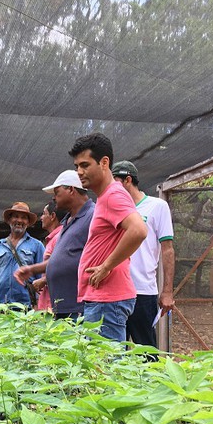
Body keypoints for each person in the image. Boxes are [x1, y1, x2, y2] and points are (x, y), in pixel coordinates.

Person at [69, 133, 147, 341]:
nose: (79, 172)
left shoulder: (114, 195)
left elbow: (138, 230)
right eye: (77, 166)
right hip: (102, 299)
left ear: (104, 163)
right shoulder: (106, 197)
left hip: (108, 300)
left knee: (106, 367)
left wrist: (106, 266)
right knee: (99, 367)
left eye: (85, 165)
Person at [14, 170, 93, 320]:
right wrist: (32, 269)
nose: (54, 197)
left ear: (71, 189)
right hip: (62, 306)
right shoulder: (68, 221)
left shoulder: (92, 215)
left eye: (57, 192)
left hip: (79, 307)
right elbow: (63, 258)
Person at [112, 161, 175, 348]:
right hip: (115, 291)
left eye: (115, 183)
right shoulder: (113, 208)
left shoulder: (157, 206)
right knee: (116, 351)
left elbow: (168, 249)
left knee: (145, 350)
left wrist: (168, 291)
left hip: (143, 291)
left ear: (127, 180)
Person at [0, 202, 45, 307]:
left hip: (26, 304)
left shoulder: (37, 245)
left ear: (28, 222)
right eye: (16, 216)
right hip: (0, 303)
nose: (19, 220)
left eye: (24, 218)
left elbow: (41, 277)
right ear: (9, 220)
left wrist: (39, 304)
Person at [32, 199, 67, 311]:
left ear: (52, 216)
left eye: (44, 214)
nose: (41, 218)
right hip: (49, 298)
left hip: (56, 301)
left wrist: (43, 280)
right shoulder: (52, 239)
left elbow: (64, 265)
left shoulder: (60, 238)